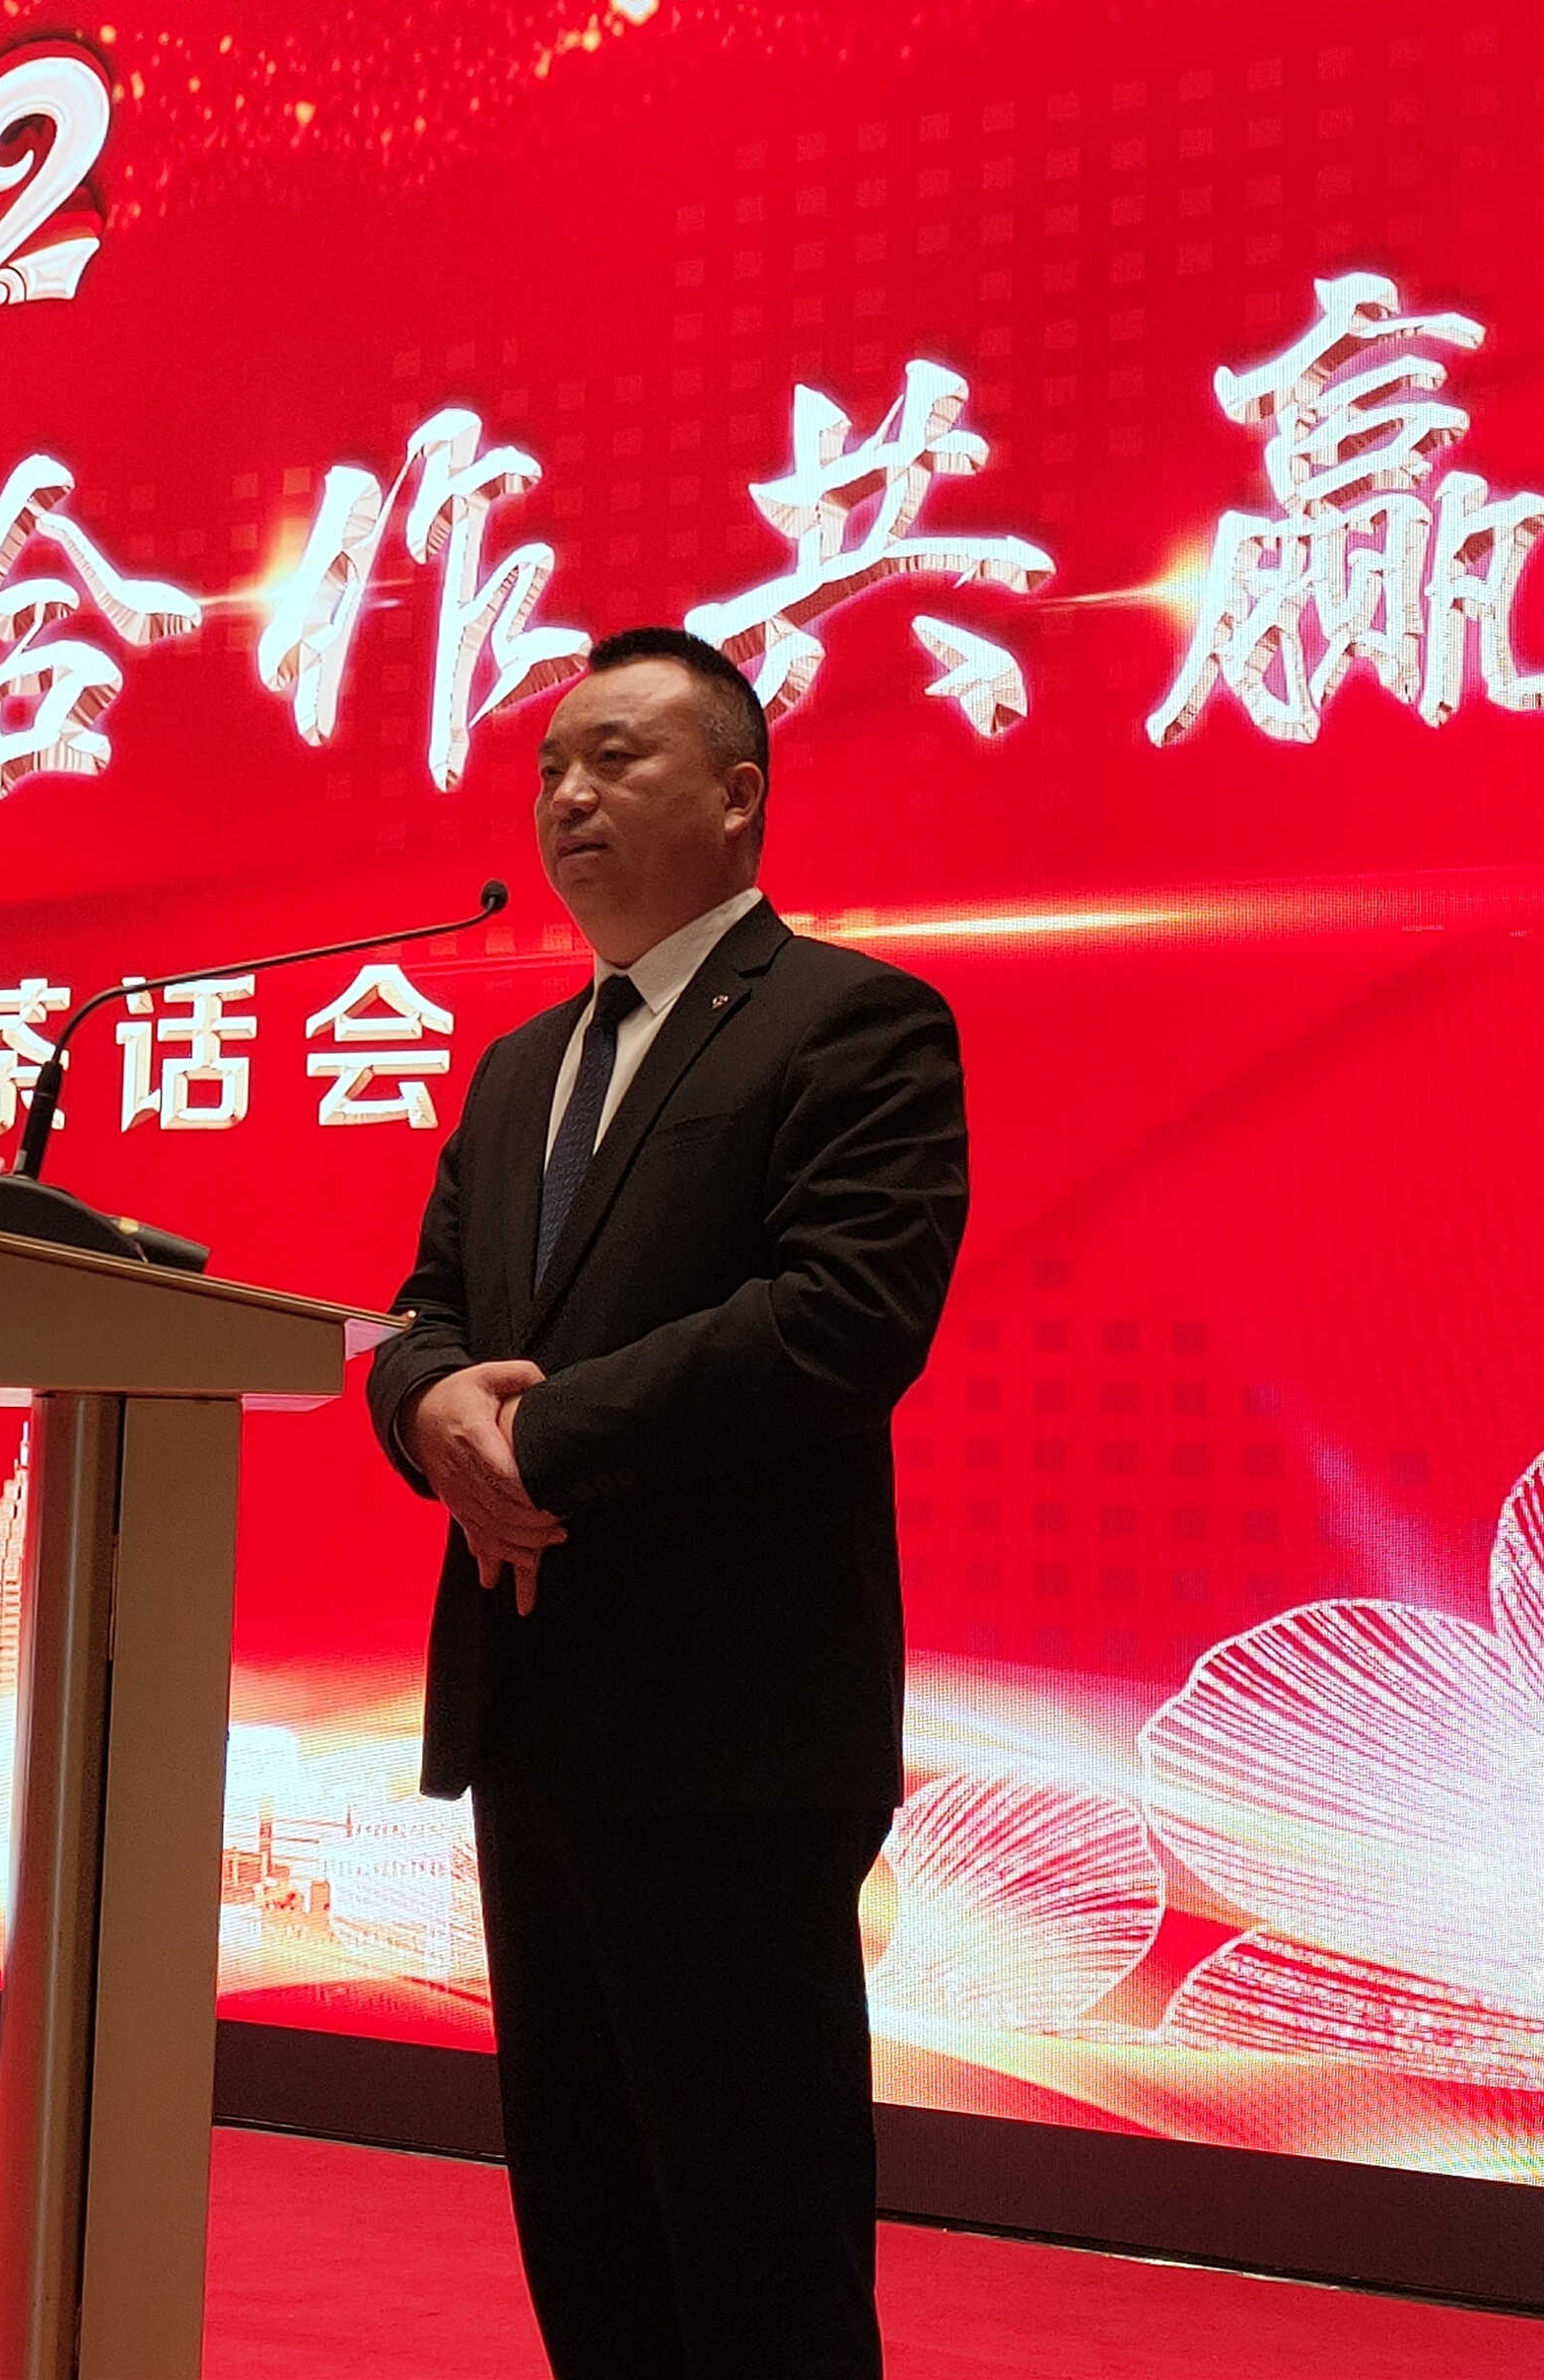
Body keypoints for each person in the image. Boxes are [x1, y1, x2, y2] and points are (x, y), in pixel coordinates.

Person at [365, 625, 969, 2379]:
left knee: (757, 2250)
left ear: (738, 793)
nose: (568, 795)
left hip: (735, 1737)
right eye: (550, 768)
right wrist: (428, 1409)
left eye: (615, 756)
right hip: (531, 1713)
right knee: (592, 2232)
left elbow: (843, 1319)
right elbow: (426, 1316)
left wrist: (535, 1442)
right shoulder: (517, 1071)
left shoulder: (850, 1021)